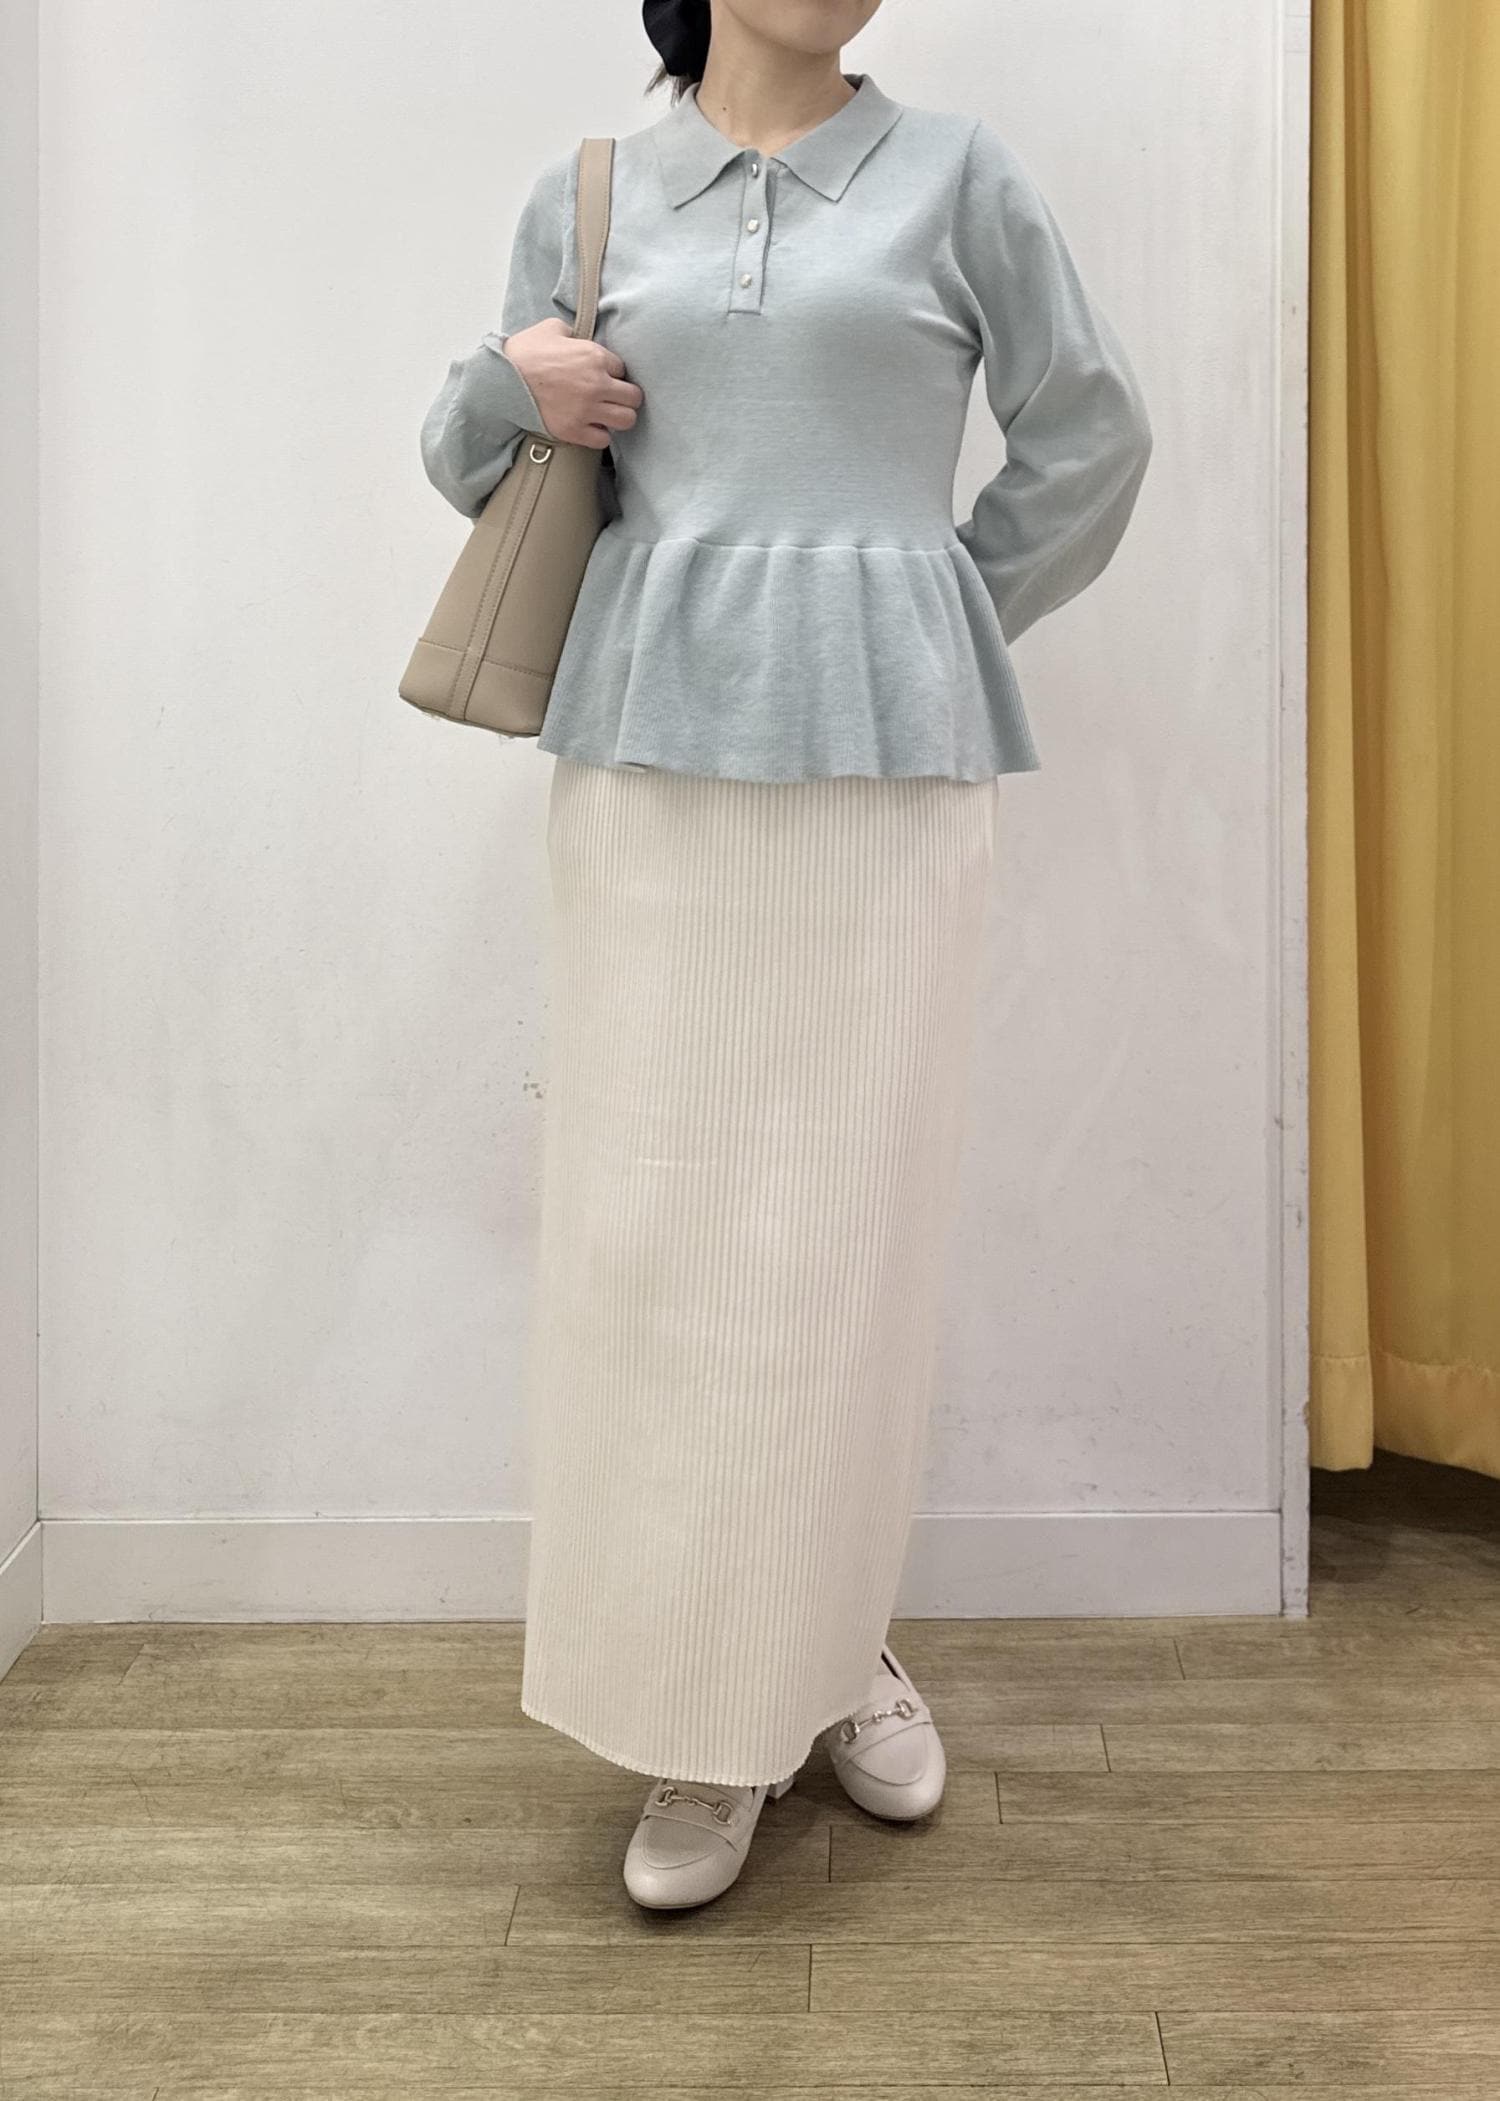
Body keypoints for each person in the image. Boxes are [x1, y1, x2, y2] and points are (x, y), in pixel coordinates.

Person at [418, 0, 1151, 1911]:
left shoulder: (961, 176)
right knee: (656, 1244)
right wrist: (512, 384)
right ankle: (699, 1711)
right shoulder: (594, 195)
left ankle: (829, 1651)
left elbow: (1093, 432)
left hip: (887, 773)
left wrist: (931, 611)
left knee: (848, 1232)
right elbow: (463, 456)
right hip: (650, 768)